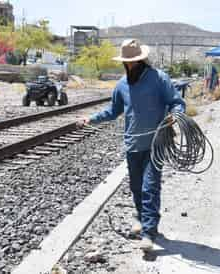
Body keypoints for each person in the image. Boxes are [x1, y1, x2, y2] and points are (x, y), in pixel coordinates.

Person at [78, 39, 186, 251]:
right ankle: (143, 219)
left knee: (150, 187)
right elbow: (113, 111)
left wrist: (175, 115)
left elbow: (177, 102)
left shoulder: (159, 78)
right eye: (128, 63)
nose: (131, 66)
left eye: (134, 62)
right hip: (132, 143)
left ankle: (149, 233)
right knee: (136, 187)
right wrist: (90, 119)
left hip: (156, 143)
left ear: (141, 60)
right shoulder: (122, 85)